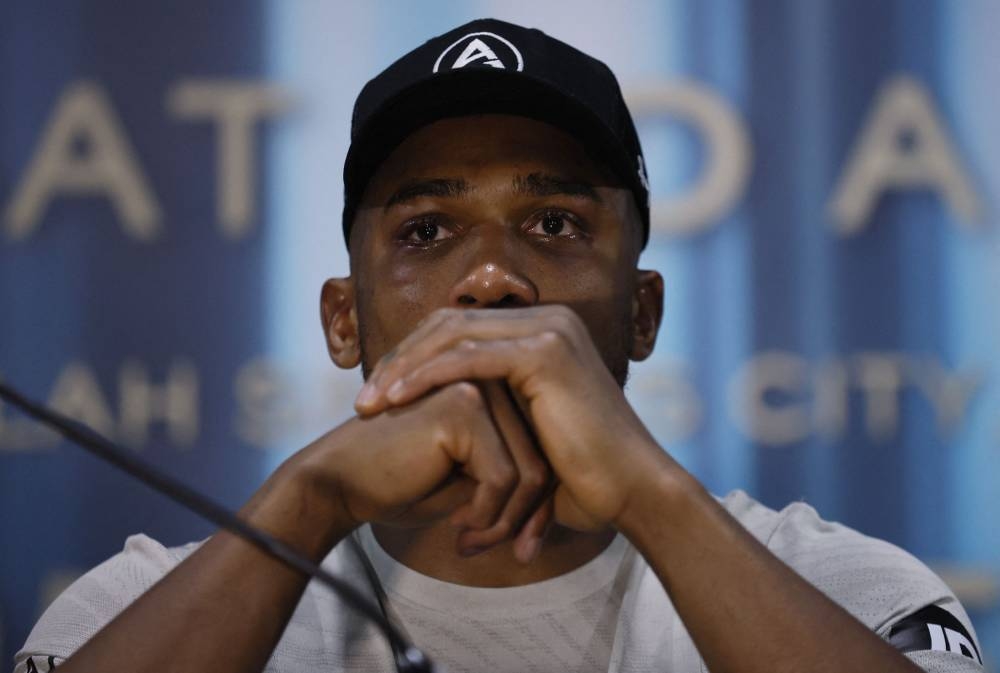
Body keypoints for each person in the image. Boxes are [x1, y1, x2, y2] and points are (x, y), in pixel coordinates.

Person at [15, 18, 984, 673]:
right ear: (343, 319)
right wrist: (307, 501)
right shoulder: (138, 604)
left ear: (642, 314)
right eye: (426, 231)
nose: (490, 278)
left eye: (554, 223)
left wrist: (652, 494)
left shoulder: (841, 587)